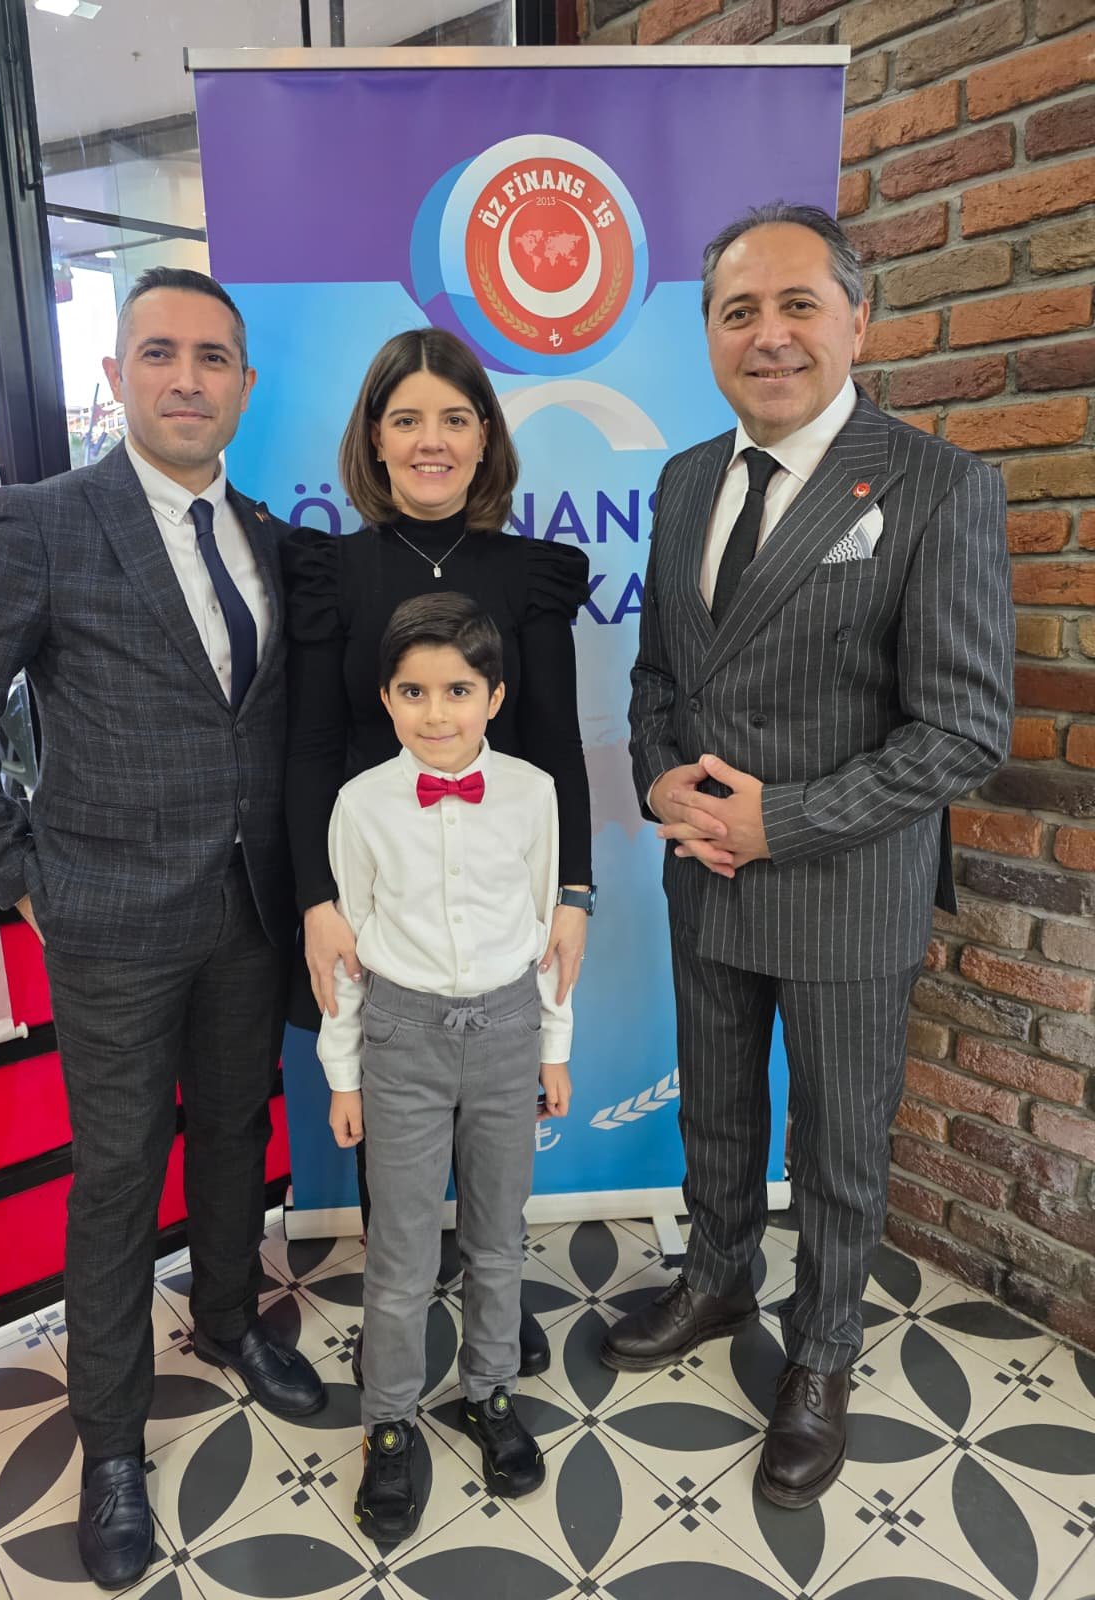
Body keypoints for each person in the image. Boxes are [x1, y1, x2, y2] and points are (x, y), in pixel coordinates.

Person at [0, 266, 326, 1588]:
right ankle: (111, 1442)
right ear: (116, 375)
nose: (187, 379)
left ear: (244, 385)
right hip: (107, 922)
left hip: (248, 910)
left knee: (235, 1131)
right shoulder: (45, 520)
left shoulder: (270, 536)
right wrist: (22, 878)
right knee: (116, 1174)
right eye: (159, 353)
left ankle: (228, 1319)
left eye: (212, 358)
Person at [600, 203, 1013, 1509]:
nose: (768, 335)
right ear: (709, 334)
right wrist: (659, 776)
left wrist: (777, 821)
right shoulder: (683, 481)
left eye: (798, 306)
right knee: (717, 1109)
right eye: (739, 312)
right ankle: (718, 1277)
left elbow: (963, 731)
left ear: (857, 323)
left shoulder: (936, 485)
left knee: (836, 1146)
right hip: (704, 871)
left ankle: (824, 1352)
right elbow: (660, 675)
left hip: (844, 884)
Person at [285, 326, 595, 1375]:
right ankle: (402, 1322)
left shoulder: (530, 572)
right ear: (374, 438)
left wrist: (575, 892)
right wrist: (317, 899)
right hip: (381, 898)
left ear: (485, 437)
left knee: (495, 1133)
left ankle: (491, 1304)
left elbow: (555, 743)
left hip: (497, 897)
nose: (431, 441)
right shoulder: (330, 571)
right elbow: (309, 748)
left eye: (455, 419)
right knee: (399, 1140)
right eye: (407, 418)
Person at [319, 590, 573, 1542]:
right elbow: (346, 953)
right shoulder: (360, 804)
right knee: (401, 1254)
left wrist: (554, 1047)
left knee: (499, 1238)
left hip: (508, 1032)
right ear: (386, 698)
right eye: (414, 692)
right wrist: (344, 1075)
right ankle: (388, 1421)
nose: (436, 713)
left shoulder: (534, 793)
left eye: (458, 690)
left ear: (494, 697)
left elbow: (547, 931)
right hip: (402, 1040)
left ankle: (489, 1390)